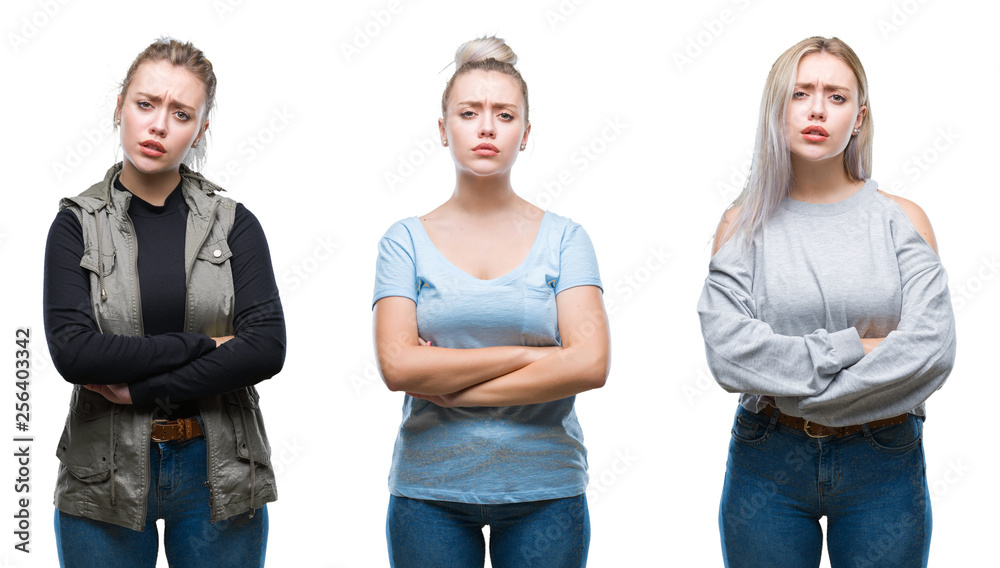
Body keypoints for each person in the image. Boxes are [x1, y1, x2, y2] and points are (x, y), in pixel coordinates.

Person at [697, 36, 956, 568]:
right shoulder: (742, 225)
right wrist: (860, 346)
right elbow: (729, 354)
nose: (818, 109)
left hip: (883, 461)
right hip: (768, 460)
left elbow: (931, 350)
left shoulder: (902, 219)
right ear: (778, 108)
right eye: (801, 94)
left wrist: (789, 381)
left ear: (858, 118)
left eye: (836, 97)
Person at [43, 38, 285, 567]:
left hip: (217, 469)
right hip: (102, 472)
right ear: (120, 108)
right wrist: (204, 345)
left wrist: (141, 389)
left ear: (199, 130)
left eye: (181, 114)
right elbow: (75, 354)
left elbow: (266, 348)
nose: (158, 126)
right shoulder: (75, 225)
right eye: (145, 104)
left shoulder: (234, 223)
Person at [371, 36, 610, 568]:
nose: (486, 127)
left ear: (525, 134)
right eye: (469, 112)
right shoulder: (404, 241)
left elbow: (591, 364)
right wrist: (537, 356)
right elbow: (397, 365)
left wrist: (450, 382)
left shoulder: (567, 239)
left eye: (504, 115)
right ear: (442, 129)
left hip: (545, 490)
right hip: (429, 491)